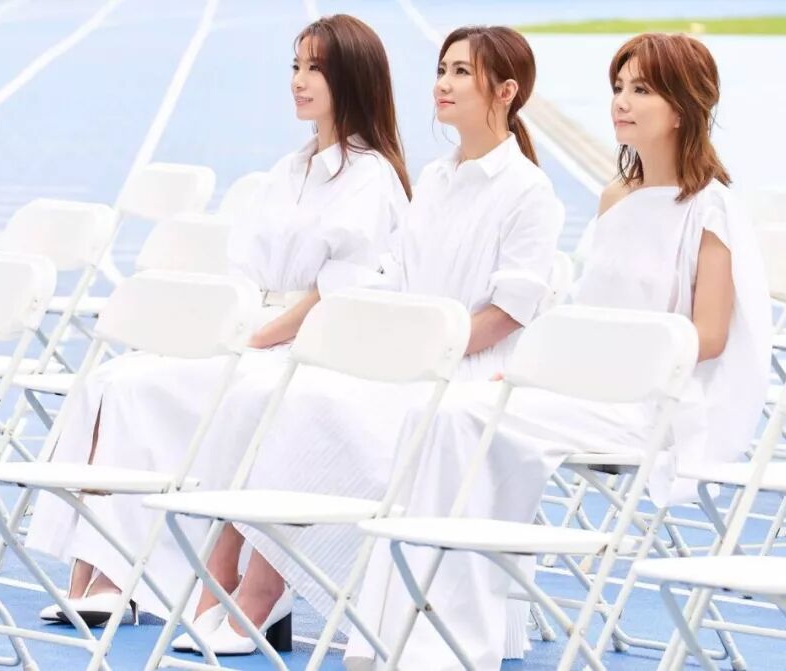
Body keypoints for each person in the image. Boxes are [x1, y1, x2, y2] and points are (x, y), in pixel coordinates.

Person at [348, 32, 774, 670]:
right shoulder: (615, 198)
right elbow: (586, 315)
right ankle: (399, 630)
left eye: (641, 89)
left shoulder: (712, 209)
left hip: (653, 402)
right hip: (583, 392)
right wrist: (541, 374)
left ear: (683, 107)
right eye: (618, 87)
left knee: (465, 418)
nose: (621, 102)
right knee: (443, 415)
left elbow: (708, 338)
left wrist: (584, 368)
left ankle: (453, 640)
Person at [176, 24, 565, 656]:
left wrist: (427, 349)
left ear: (506, 92)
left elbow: (507, 314)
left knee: (311, 407)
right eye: (441, 70)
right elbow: (394, 279)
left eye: (462, 72)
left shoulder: (528, 191)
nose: (442, 84)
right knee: (277, 393)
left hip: (467, 374)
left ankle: (263, 590)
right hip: (406, 361)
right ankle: (227, 574)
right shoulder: (436, 179)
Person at [25, 13, 410, 627]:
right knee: (120, 382)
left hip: (306, 345)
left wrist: (252, 338)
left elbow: (337, 294)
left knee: (216, 391)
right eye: (295, 66)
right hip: (252, 328)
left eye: (316, 69)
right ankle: (104, 567)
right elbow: (244, 270)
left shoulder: (371, 176)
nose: (298, 81)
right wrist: (232, 329)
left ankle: (149, 574)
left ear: (353, 79)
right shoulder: (289, 169)